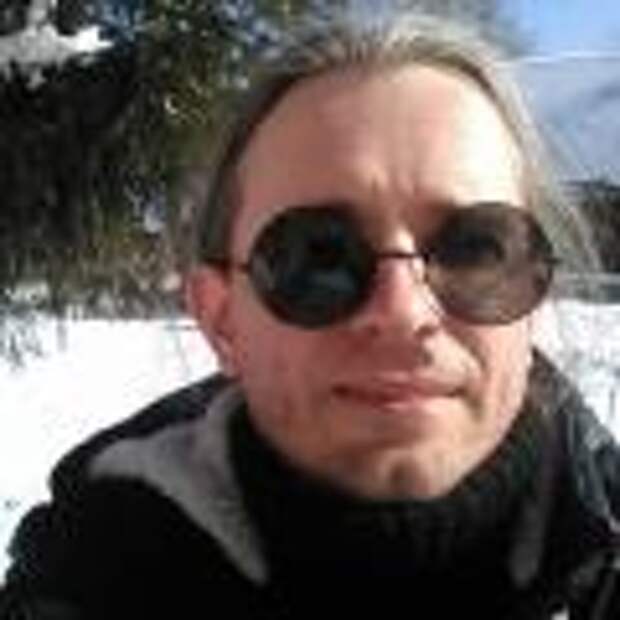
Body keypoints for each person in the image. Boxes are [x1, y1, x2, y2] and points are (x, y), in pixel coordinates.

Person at [2, 8, 619, 620]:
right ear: (222, 320)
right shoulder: (86, 582)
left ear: (535, 299)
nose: (403, 311)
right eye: (317, 254)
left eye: (476, 247)